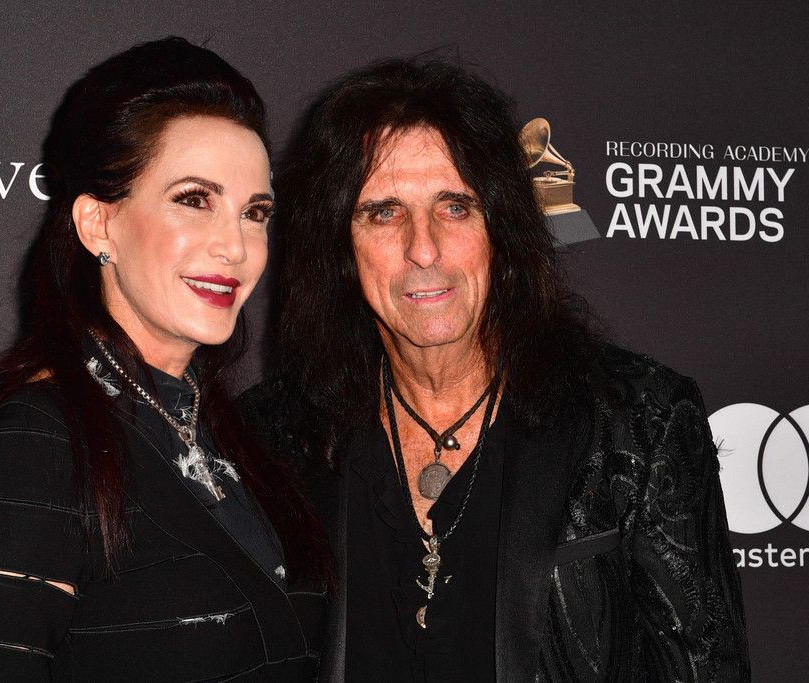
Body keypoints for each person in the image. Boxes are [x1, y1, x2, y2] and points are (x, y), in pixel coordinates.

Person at [242, 58, 750, 681]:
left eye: (455, 207)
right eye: (384, 212)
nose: (423, 248)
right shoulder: (273, 437)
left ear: (501, 231)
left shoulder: (638, 423)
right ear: (339, 246)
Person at [0, 37, 329, 681]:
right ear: (98, 224)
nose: (236, 246)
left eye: (255, 213)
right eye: (195, 199)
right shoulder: (35, 446)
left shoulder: (235, 439)